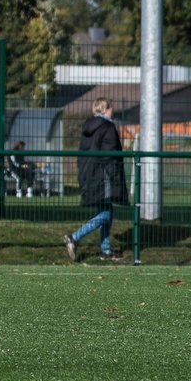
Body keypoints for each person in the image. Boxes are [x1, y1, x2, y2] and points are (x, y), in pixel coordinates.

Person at [64, 98, 128, 262]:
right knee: (106, 213)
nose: (113, 110)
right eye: (111, 107)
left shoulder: (88, 127)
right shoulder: (108, 127)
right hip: (103, 174)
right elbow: (111, 154)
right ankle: (75, 237)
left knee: (107, 211)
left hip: (89, 173)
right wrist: (115, 174)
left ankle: (106, 249)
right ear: (106, 109)